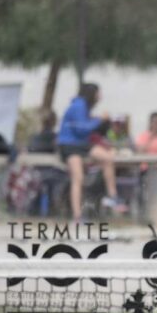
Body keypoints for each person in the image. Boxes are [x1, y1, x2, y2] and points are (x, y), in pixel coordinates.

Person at [57, 82, 128, 220]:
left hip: (81, 143)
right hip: (70, 145)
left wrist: (97, 120)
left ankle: (112, 196)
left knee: (107, 158)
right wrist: (99, 120)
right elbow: (81, 129)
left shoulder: (83, 106)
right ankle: (77, 216)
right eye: (98, 94)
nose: (100, 97)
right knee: (78, 178)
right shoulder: (79, 105)